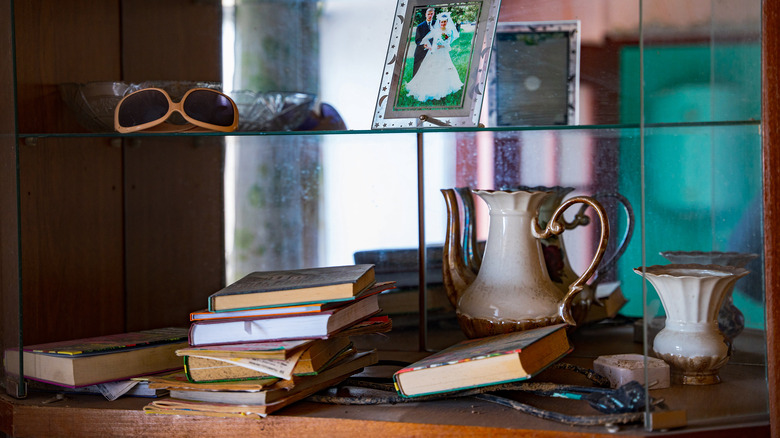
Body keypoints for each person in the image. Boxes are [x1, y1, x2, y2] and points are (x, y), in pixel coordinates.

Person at [405, 12, 463, 102]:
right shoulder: (435, 31)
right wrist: (429, 46)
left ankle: (443, 88)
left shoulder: (448, 32)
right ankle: (430, 88)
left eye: (444, 22)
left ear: (447, 22)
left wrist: (442, 46)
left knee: (444, 69)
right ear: (439, 22)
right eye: (441, 22)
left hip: (443, 53)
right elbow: (425, 39)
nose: (443, 23)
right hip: (434, 52)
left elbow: (447, 44)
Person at [412, 8, 436, 77]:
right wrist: (424, 45)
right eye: (428, 14)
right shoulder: (420, 26)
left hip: (433, 50)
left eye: (431, 14)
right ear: (425, 15)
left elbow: (442, 33)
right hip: (421, 51)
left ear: (433, 14)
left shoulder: (436, 24)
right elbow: (417, 40)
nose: (430, 16)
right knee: (417, 71)